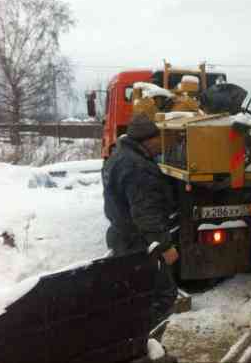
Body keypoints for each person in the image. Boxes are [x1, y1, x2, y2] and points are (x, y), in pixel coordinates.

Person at [102, 114, 179, 336]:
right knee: (162, 295)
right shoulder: (138, 169)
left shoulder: (118, 156)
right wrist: (165, 246)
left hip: (120, 235)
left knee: (134, 294)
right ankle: (146, 346)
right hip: (139, 241)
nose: (161, 145)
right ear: (147, 140)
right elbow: (146, 215)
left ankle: (134, 343)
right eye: (158, 140)